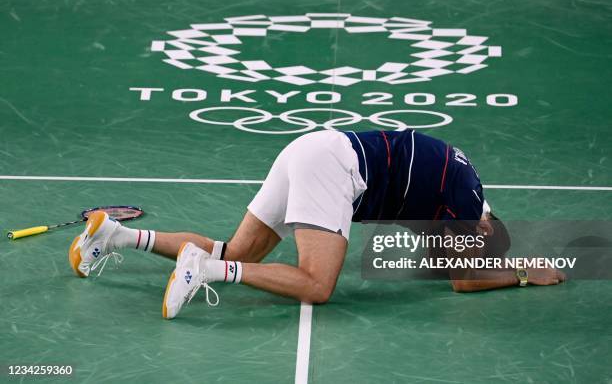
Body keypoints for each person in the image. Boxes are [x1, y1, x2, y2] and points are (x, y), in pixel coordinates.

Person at [68, 129, 565, 319]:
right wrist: (523, 272)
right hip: (336, 169)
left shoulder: (455, 198)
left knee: (239, 252)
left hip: (312, 149)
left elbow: (445, 261)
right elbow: (461, 279)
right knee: (317, 285)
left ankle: (115, 234)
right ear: (484, 227)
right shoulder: (465, 200)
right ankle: (205, 271)